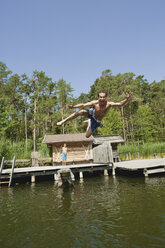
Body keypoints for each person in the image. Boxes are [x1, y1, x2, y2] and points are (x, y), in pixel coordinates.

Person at [57, 91, 133, 138]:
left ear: (105, 97)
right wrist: (73, 107)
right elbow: (83, 105)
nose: (102, 99)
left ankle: (89, 122)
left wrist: (126, 100)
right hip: (92, 113)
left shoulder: (109, 104)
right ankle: (63, 121)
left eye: (103, 97)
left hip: (97, 121)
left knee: (87, 136)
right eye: (100, 97)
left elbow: (120, 104)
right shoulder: (95, 103)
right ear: (98, 97)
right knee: (80, 112)